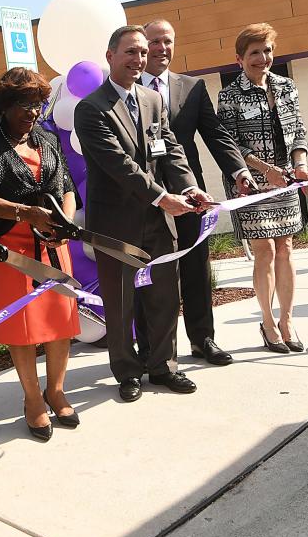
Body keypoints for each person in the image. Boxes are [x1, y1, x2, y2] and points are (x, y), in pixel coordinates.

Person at [73, 25, 212, 403]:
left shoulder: (152, 99)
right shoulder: (91, 108)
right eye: (130, 52)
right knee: (121, 302)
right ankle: (127, 370)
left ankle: (164, 367)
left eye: (141, 52)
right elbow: (119, 165)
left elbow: (171, 148)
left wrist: (187, 186)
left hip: (157, 221)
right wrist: (162, 196)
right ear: (110, 57)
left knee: (165, 295)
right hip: (116, 224)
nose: (138, 59)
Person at [134, 19, 256, 367]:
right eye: (154, 42)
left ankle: (203, 340)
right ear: (144, 46)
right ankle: (150, 351)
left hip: (190, 195)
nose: (161, 48)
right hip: (147, 197)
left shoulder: (192, 87)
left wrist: (239, 170)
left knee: (196, 269)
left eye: (167, 41)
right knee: (151, 273)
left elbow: (216, 135)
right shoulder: (127, 90)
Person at [0, 67, 81, 441]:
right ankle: (33, 399)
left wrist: (62, 224)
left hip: (51, 245)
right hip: (9, 250)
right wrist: (25, 213)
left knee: (60, 321)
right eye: (23, 104)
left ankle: (57, 390)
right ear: (4, 105)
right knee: (22, 328)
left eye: (37, 104)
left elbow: (65, 186)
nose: (32, 112)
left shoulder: (47, 140)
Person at [217, 23, 308, 354]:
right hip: (251, 182)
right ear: (239, 58)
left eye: (267, 50)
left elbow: (298, 130)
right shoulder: (229, 95)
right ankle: (268, 323)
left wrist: (299, 165)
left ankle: (287, 320)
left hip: (285, 179)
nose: (262, 57)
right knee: (266, 251)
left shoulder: (287, 87)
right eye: (254, 52)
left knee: (286, 247)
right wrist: (265, 171)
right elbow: (229, 143)